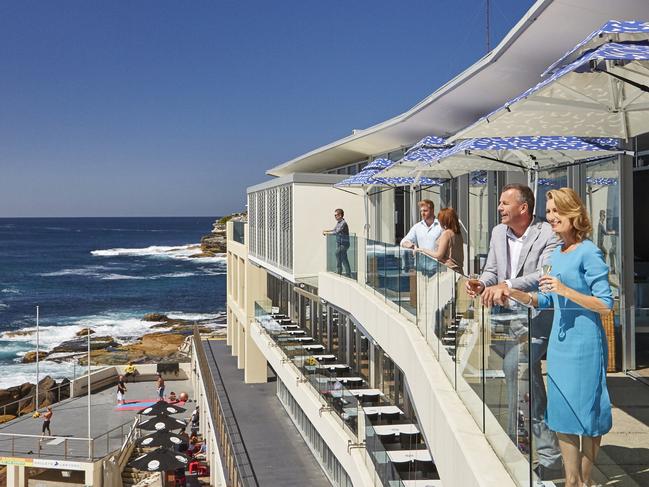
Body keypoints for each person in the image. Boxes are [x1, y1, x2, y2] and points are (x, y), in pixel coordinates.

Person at [504, 188, 614, 487]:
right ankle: (571, 480)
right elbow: (547, 299)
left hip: (586, 345)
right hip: (560, 344)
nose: (551, 218)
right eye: (549, 211)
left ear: (574, 214)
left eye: (556, 212)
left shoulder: (589, 252)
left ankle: (585, 480)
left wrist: (565, 291)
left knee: (588, 415)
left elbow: (605, 304)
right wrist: (518, 294)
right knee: (562, 413)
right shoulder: (556, 253)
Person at [465, 183, 562, 479]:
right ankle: (550, 454)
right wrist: (481, 283)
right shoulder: (498, 232)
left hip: (540, 318)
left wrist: (505, 286)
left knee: (514, 367)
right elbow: (492, 270)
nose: (499, 207)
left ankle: (514, 443)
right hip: (506, 320)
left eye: (505, 203)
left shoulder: (548, 233)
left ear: (524, 208)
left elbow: (543, 274)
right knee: (527, 381)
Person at [415, 207, 464, 274]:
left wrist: (423, 250)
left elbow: (439, 255)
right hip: (458, 271)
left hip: (449, 271)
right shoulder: (457, 233)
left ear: (444, 220)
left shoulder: (447, 234)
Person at [323, 208, 351, 277]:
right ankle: (348, 273)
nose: (335, 217)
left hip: (344, 244)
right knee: (344, 259)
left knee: (337, 253)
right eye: (334, 215)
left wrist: (327, 233)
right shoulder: (338, 223)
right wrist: (326, 230)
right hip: (339, 244)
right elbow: (334, 229)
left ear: (340, 215)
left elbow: (336, 232)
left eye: (336, 215)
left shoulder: (343, 223)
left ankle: (339, 271)